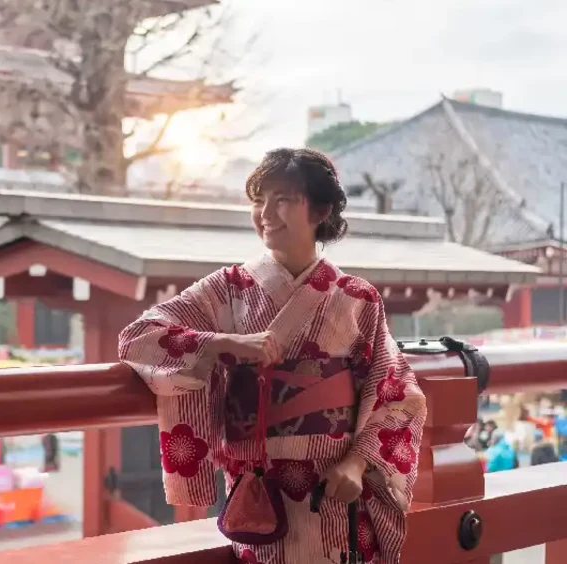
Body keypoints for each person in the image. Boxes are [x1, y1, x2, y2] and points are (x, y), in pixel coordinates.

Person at [119, 148, 427, 564]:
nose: (265, 212)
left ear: (319, 209)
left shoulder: (357, 298)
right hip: (262, 492)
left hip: (334, 486)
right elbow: (138, 337)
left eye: (282, 199)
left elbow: (397, 393)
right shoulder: (227, 288)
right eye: (258, 200)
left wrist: (357, 464)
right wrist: (223, 344)